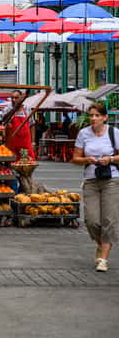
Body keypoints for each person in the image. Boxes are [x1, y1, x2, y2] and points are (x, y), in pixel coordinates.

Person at [72, 103, 119, 272]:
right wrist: (87, 160)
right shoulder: (83, 133)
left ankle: (103, 259)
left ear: (104, 117)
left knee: (109, 220)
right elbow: (75, 158)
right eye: (91, 115)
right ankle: (101, 244)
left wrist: (111, 159)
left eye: (97, 115)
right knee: (91, 220)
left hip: (112, 179)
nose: (93, 118)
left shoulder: (114, 133)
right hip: (91, 180)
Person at [2, 90, 35, 160]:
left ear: (21, 98)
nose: (14, 100)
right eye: (12, 98)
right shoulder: (8, 108)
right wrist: (14, 109)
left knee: (28, 162)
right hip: (13, 143)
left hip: (26, 142)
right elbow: (3, 120)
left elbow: (32, 125)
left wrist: (33, 142)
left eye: (16, 98)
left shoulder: (27, 108)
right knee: (13, 162)